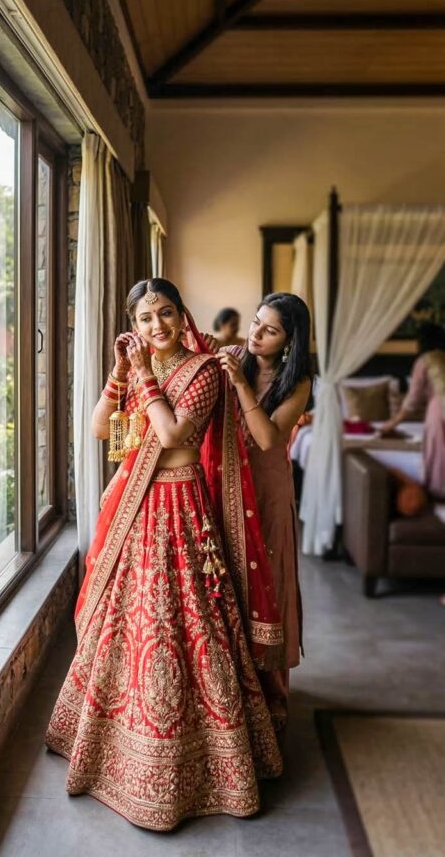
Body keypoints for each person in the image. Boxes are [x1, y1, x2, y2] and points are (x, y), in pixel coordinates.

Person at [45, 278, 283, 831]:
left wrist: (146, 375)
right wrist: (121, 373)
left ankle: (208, 760)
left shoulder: (203, 373)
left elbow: (176, 432)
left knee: (187, 622)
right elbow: (104, 429)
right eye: (147, 318)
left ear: (183, 315)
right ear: (135, 323)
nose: (158, 327)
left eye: (167, 314)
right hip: (135, 506)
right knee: (129, 622)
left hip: (180, 505)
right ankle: (113, 748)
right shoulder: (138, 370)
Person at [216, 293, 312, 734]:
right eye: (255, 323)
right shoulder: (236, 356)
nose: (254, 335)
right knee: (228, 579)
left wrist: (239, 385)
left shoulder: (298, 383)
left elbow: (269, 438)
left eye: (269, 330)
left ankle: (269, 693)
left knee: (265, 584)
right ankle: (229, 692)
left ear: (289, 341)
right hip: (227, 483)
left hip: (268, 490)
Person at [380, 321, 445, 501]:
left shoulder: (424, 362)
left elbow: (411, 403)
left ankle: (438, 494)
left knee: (439, 454)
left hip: (438, 412)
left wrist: (391, 424)